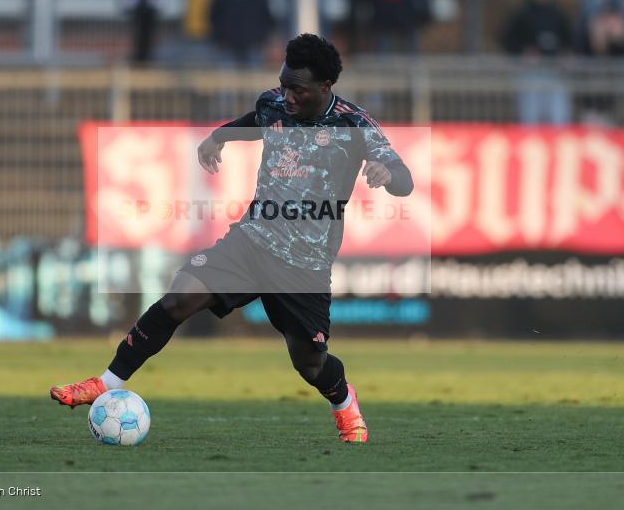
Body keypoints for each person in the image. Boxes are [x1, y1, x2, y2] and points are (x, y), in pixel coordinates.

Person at [51, 34, 414, 444]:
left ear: (326, 87)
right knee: (178, 298)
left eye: (298, 89)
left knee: (310, 364)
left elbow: (404, 178)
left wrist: (388, 176)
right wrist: (219, 136)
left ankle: (344, 403)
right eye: (283, 84)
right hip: (251, 242)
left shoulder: (355, 125)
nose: (287, 96)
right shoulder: (274, 103)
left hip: (304, 266)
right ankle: (107, 381)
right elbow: (256, 121)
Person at [501, 0, 574, 125]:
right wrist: (523, 53)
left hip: (555, 72)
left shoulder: (559, 14)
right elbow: (509, 41)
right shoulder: (521, 15)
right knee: (530, 117)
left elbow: (569, 41)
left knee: (558, 116)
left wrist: (565, 54)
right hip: (530, 73)